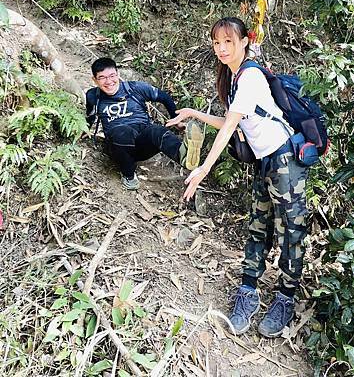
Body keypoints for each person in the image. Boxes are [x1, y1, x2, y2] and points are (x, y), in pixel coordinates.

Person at [166, 17, 309, 338]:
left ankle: (286, 297)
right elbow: (233, 121)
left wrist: (204, 168)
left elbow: (231, 126)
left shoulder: (251, 76)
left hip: (285, 159)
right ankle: (248, 292)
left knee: (291, 229)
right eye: (217, 42)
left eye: (228, 41)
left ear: (244, 42)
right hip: (264, 162)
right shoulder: (234, 78)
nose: (221, 48)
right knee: (258, 226)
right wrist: (193, 114)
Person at [86, 57, 204, 190]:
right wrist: (85, 130)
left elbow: (163, 97)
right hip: (117, 146)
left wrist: (176, 119)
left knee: (156, 130)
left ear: (118, 74)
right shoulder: (92, 96)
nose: (109, 81)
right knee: (123, 132)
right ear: (95, 80)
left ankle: (182, 155)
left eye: (112, 75)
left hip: (141, 143)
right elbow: (89, 116)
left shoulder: (134, 88)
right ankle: (129, 176)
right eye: (102, 77)